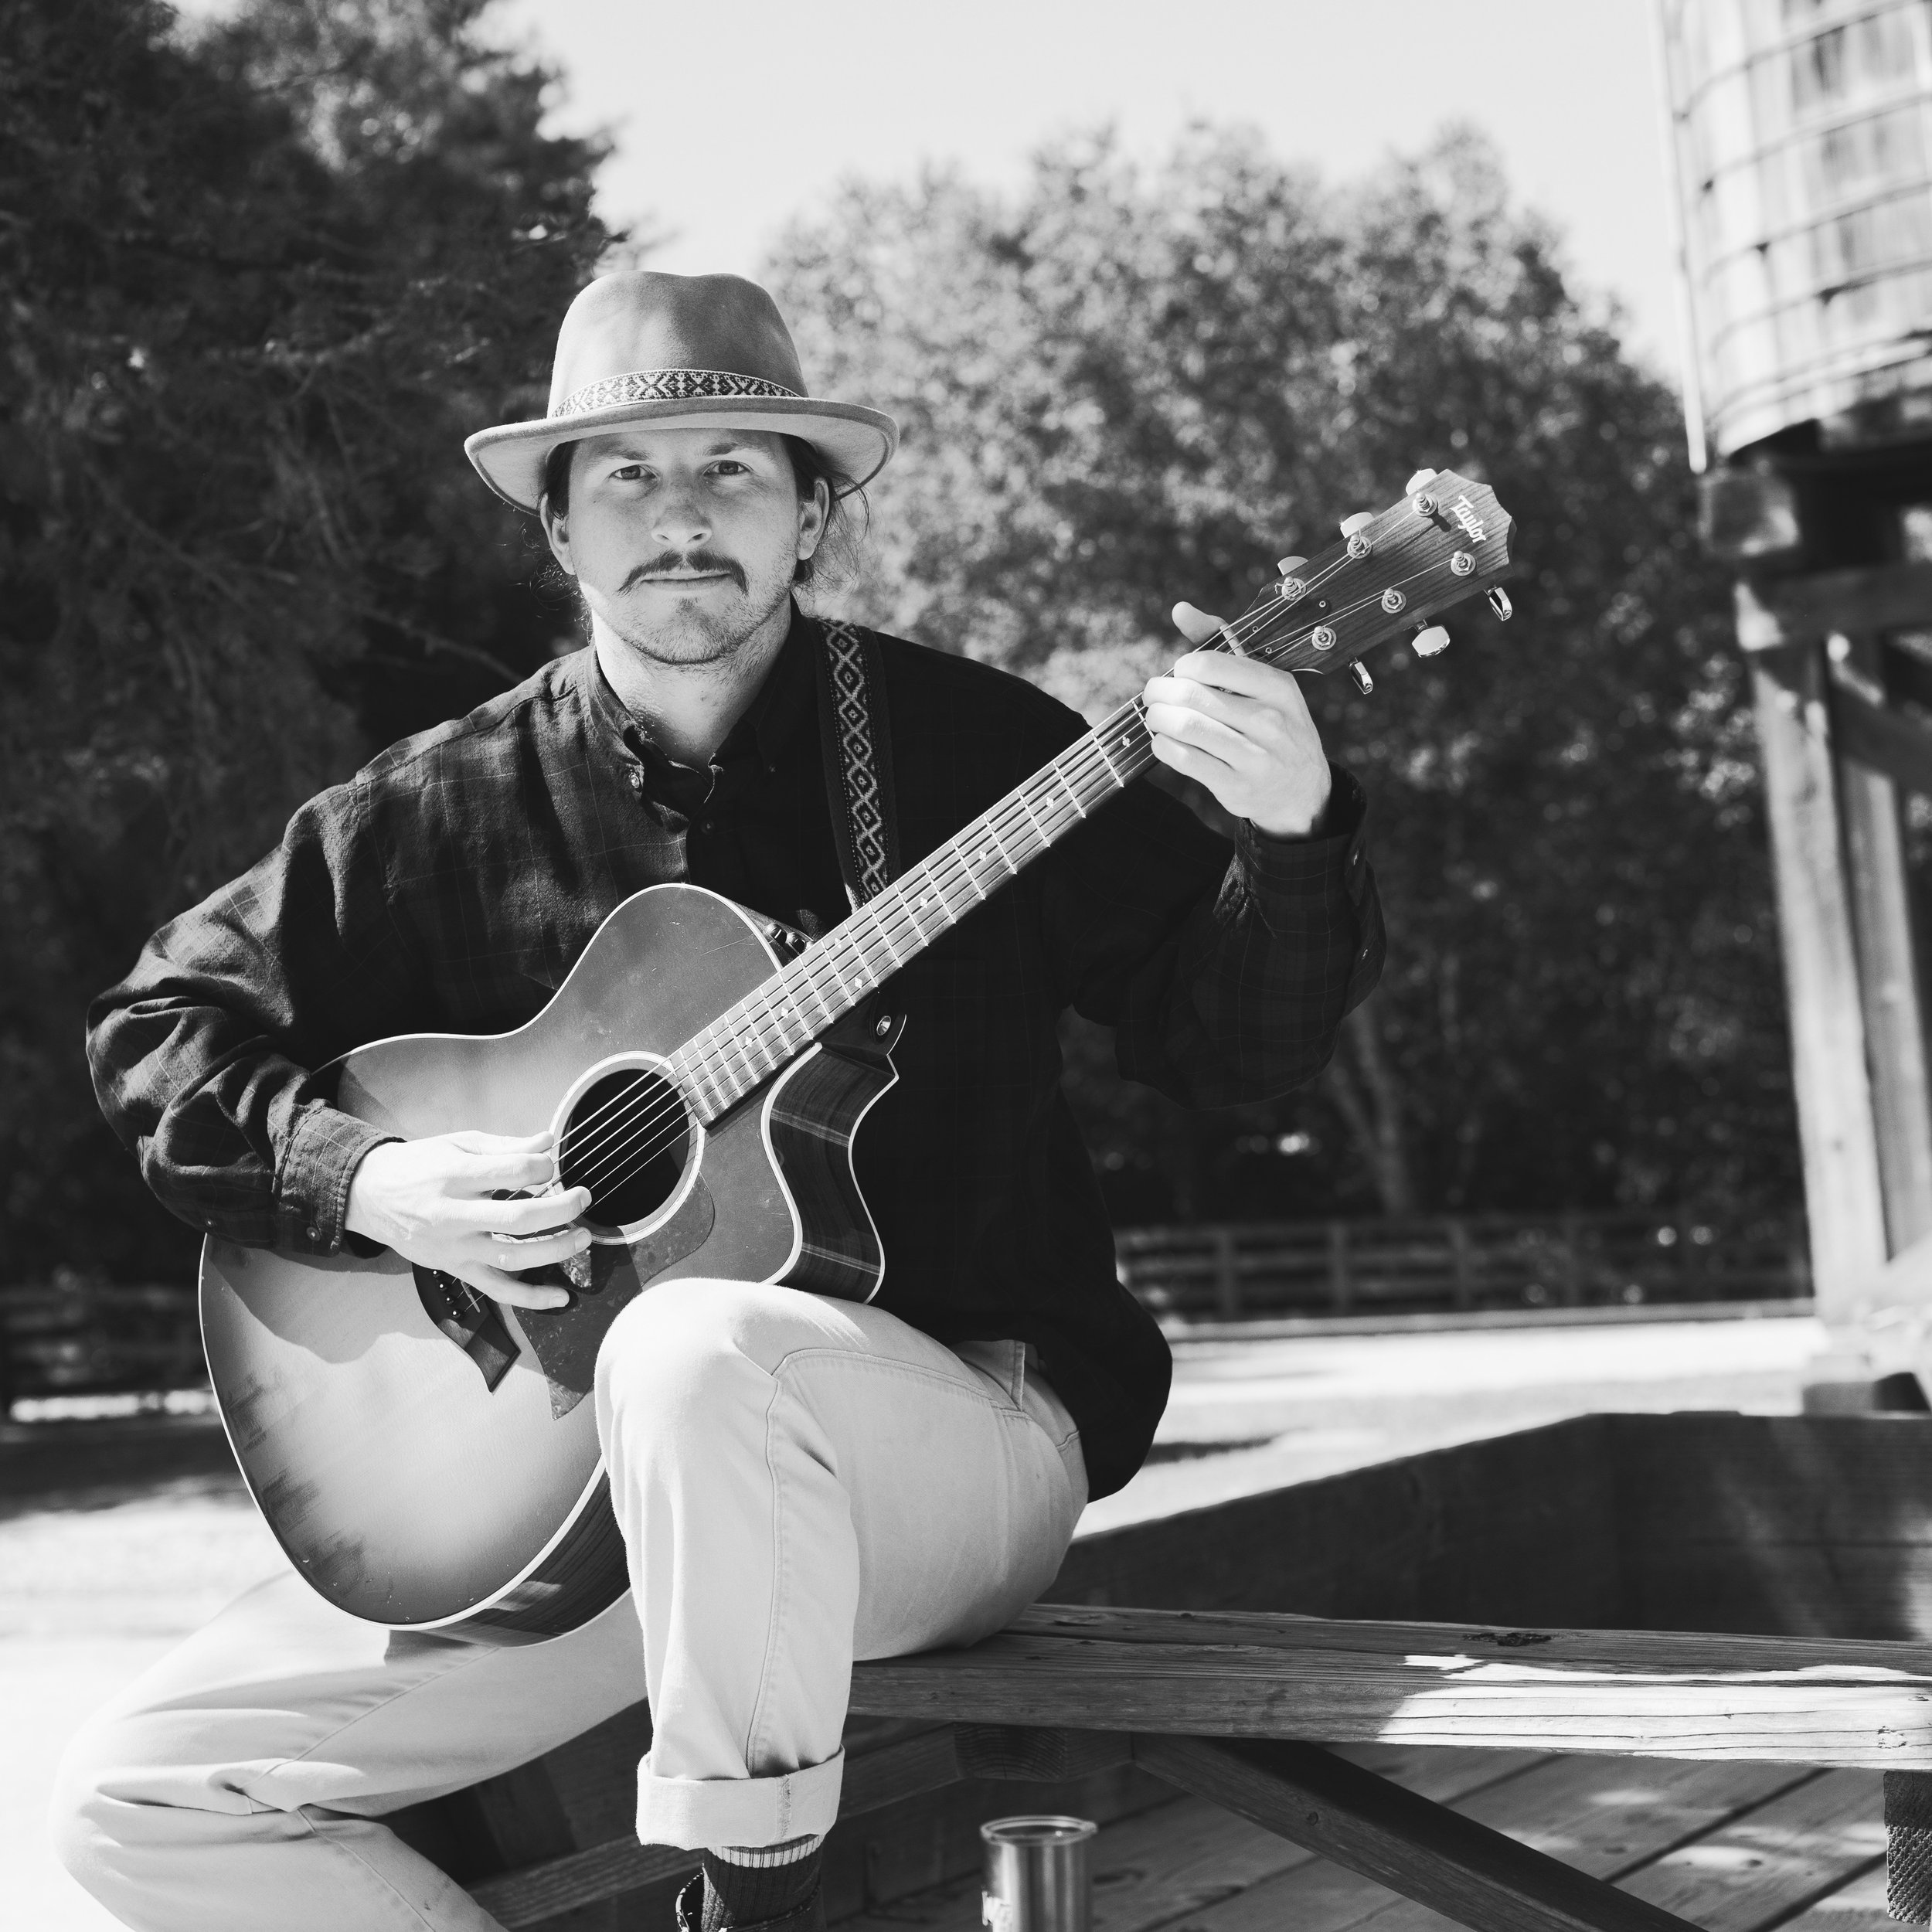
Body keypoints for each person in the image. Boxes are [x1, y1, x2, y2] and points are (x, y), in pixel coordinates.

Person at [56, 271, 1385, 1932]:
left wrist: (1295, 830)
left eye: (731, 470)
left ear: (811, 512)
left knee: (686, 1350)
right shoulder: (431, 808)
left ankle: (743, 1905)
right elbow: (155, 1023)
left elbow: (1236, 1049)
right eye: (624, 474)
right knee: (141, 1799)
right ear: (556, 531)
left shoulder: (985, 755)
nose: (678, 516)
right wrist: (368, 1179)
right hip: (588, 1519)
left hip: (955, 1444)